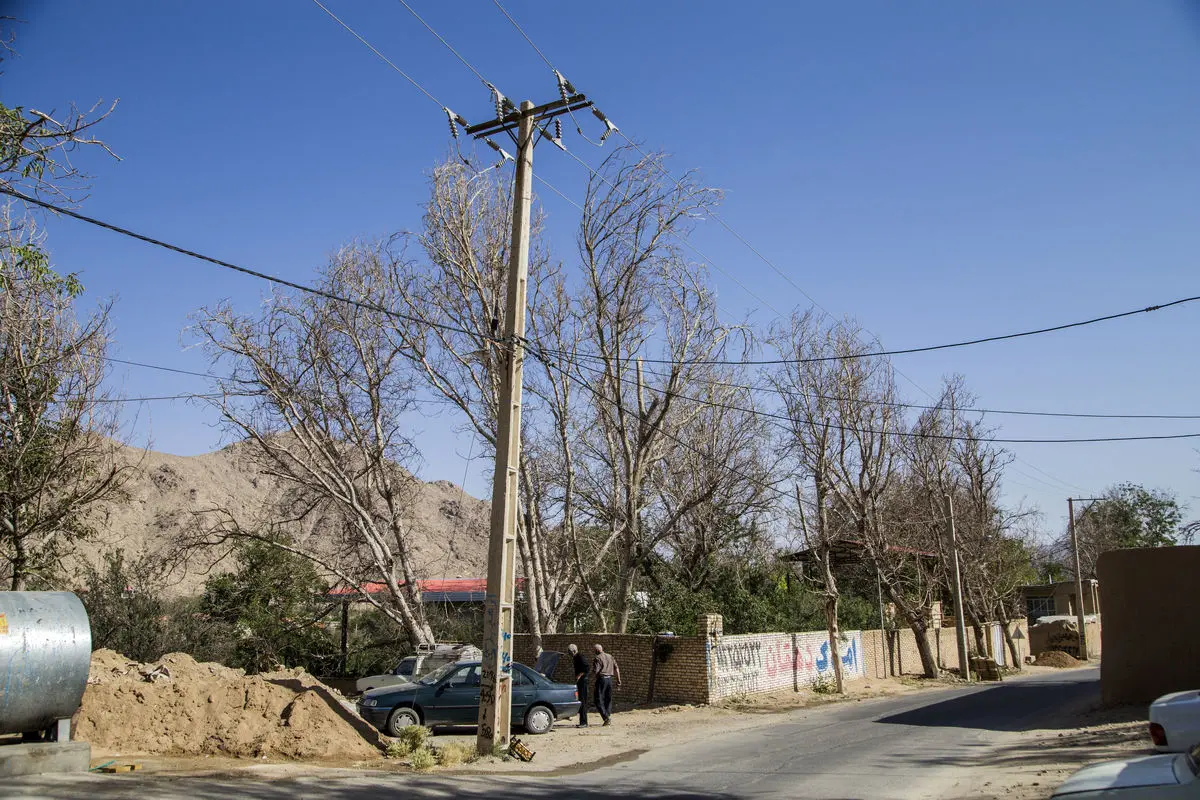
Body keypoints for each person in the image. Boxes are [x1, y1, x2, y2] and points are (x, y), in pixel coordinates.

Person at [591, 643, 621, 726]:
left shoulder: (597, 658)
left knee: (598, 700)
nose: (593, 651)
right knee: (608, 698)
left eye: (593, 650)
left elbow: (596, 671)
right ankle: (608, 715)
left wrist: (591, 678)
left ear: (596, 650)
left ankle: (606, 717)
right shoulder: (610, 656)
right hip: (609, 680)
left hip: (602, 680)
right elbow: (616, 668)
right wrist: (618, 680)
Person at [568, 644, 589, 727]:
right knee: (581, 701)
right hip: (580, 682)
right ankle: (582, 722)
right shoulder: (576, 657)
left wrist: (579, 675)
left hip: (583, 682)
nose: (569, 654)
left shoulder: (580, 656)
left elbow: (587, 668)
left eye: (570, 652)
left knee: (583, 701)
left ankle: (584, 722)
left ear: (574, 651)